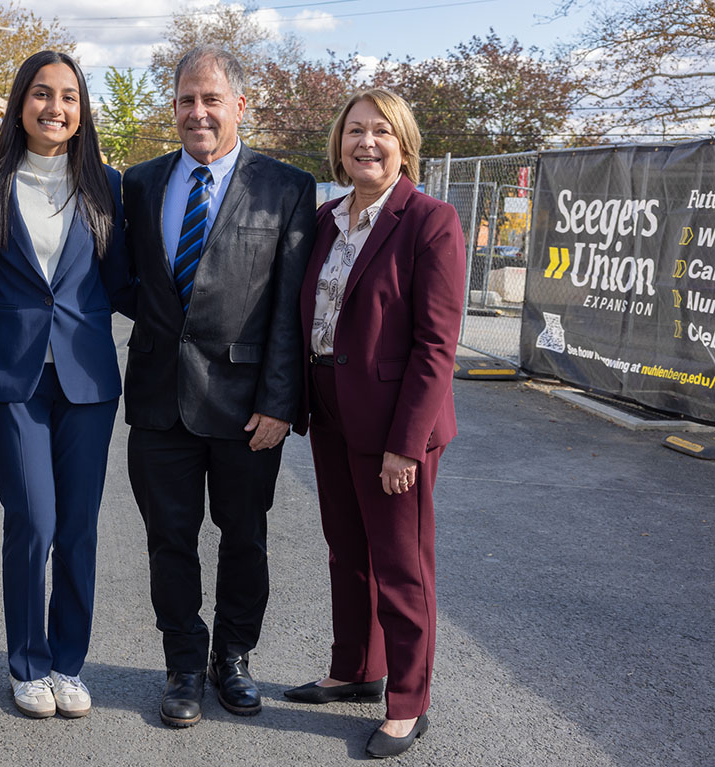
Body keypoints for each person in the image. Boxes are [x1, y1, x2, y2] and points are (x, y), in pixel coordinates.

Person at [122, 45, 316, 728]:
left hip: (246, 409)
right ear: (172, 107)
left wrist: (279, 401)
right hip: (157, 400)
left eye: (211, 99)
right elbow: (126, 281)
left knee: (245, 538)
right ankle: (182, 664)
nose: (197, 112)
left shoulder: (287, 188)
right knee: (167, 540)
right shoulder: (139, 182)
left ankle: (232, 658)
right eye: (185, 99)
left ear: (240, 104)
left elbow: (294, 307)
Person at [285, 88, 465, 759]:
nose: (366, 142)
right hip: (330, 407)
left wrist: (405, 445)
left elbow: (434, 346)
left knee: (401, 563)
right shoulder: (329, 219)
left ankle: (409, 699)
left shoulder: (431, 221)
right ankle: (357, 666)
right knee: (346, 549)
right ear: (338, 143)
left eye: (381, 131)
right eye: (355, 130)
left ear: (404, 144)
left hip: (395, 422)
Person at [0, 50, 130, 720]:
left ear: (82, 110)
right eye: (41, 94)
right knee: (33, 517)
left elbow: (122, 279)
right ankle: (27, 663)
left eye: (68, 97)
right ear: (19, 103)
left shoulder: (108, 185)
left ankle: (68, 662)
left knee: (79, 527)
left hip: (87, 376)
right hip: (13, 373)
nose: (55, 108)